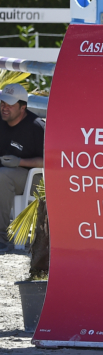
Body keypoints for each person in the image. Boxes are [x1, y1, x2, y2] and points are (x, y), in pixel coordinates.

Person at [0, 83, 44, 253]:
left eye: (10, 105)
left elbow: (48, 161)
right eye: (2, 103)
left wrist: (20, 162)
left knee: (3, 176)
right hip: (7, 173)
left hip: (33, 179)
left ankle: (1, 238)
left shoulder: (36, 127)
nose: (5, 108)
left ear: (22, 107)